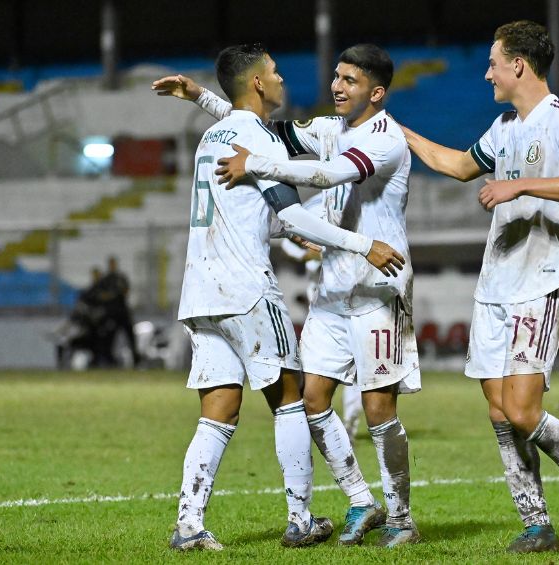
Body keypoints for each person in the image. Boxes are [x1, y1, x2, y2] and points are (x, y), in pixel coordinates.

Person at [153, 43, 421, 548]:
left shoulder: (214, 138)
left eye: (348, 79)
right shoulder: (262, 144)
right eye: (274, 73)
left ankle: (189, 523)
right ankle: (302, 518)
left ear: (376, 91)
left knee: (219, 409)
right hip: (251, 288)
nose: (284, 81)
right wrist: (360, 243)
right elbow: (296, 202)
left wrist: (198, 98)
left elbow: (250, 201)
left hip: (200, 292)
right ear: (257, 83)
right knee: (292, 400)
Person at [397, 20, 559, 553]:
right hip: (494, 283)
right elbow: (458, 165)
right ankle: (536, 522)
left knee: (522, 410)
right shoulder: (503, 127)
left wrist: (520, 183)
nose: (487, 72)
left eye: (493, 62)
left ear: (519, 64)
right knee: (499, 413)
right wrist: (398, 131)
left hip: (538, 284)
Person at [279, 201, 364, 444]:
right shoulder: (315, 203)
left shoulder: (354, 196)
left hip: (349, 292)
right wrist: (310, 250)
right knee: (312, 362)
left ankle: (349, 422)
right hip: (318, 294)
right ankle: (308, 415)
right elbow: (288, 239)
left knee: (355, 364)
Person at [97, 256, 139, 367]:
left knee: (130, 336)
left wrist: (112, 295)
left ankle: (136, 359)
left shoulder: (121, 278)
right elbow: (102, 295)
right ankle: (109, 360)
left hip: (123, 312)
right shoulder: (105, 280)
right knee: (109, 337)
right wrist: (114, 295)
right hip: (111, 313)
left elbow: (126, 291)